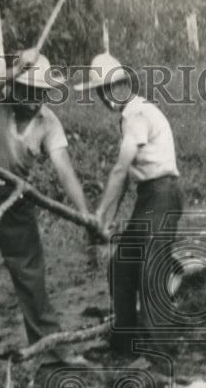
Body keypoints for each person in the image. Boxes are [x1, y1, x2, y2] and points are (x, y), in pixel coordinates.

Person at [0, 48, 93, 359]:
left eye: (40, 93)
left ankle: (49, 346)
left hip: (17, 199)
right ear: (15, 86)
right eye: (28, 90)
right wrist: (14, 69)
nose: (33, 100)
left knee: (30, 274)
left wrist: (84, 214)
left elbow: (65, 170)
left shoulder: (48, 122)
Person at [74, 53, 183, 358]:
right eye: (102, 90)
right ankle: (124, 340)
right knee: (121, 264)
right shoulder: (128, 117)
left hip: (163, 195)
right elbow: (123, 182)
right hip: (149, 196)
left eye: (111, 87)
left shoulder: (137, 114)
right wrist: (103, 222)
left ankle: (157, 353)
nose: (106, 95)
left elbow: (120, 171)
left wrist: (98, 215)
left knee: (151, 271)